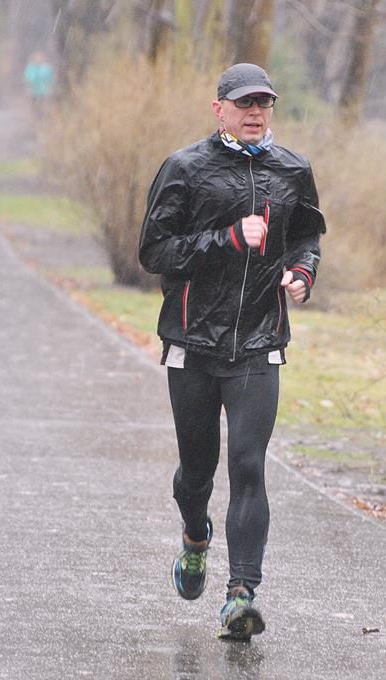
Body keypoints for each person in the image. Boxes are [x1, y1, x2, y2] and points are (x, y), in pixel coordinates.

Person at [139, 63, 325, 641]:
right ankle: (196, 536)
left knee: (248, 465)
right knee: (197, 474)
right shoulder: (185, 168)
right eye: (244, 103)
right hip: (193, 343)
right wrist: (225, 239)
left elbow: (307, 234)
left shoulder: (292, 170)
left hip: (258, 343)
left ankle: (241, 595)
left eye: (263, 103)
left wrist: (302, 272)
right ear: (218, 108)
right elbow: (154, 250)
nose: (255, 112)